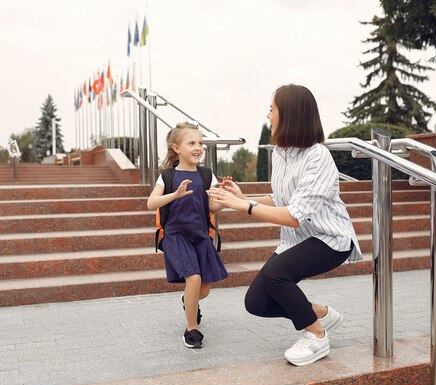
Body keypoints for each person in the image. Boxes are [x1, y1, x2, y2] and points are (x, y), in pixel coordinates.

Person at [207, 84, 362, 366]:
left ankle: (316, 335)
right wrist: (244, 198)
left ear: (289, 115)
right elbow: (281, 199)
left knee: (275, 275)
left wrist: (244, 207)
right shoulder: (281, 153)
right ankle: (321, 314)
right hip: (297, 239)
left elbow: (294, 214)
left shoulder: (318, 157)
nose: (268, 115)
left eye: (272, 109)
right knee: (256, 303)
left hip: (329, 238)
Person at [147, 122, 228, 349]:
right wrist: (175, 194)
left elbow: (212, 208)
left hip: (200, 236)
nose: (198, 147)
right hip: (176, 236)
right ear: (177, 148)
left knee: (204, 288)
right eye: (191, 143)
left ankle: (187, 300)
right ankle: (191, 329)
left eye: (200, 143)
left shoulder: (206, 175)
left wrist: (224, 198)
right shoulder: (168, 176)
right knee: (193, 278)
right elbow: (151, 202)